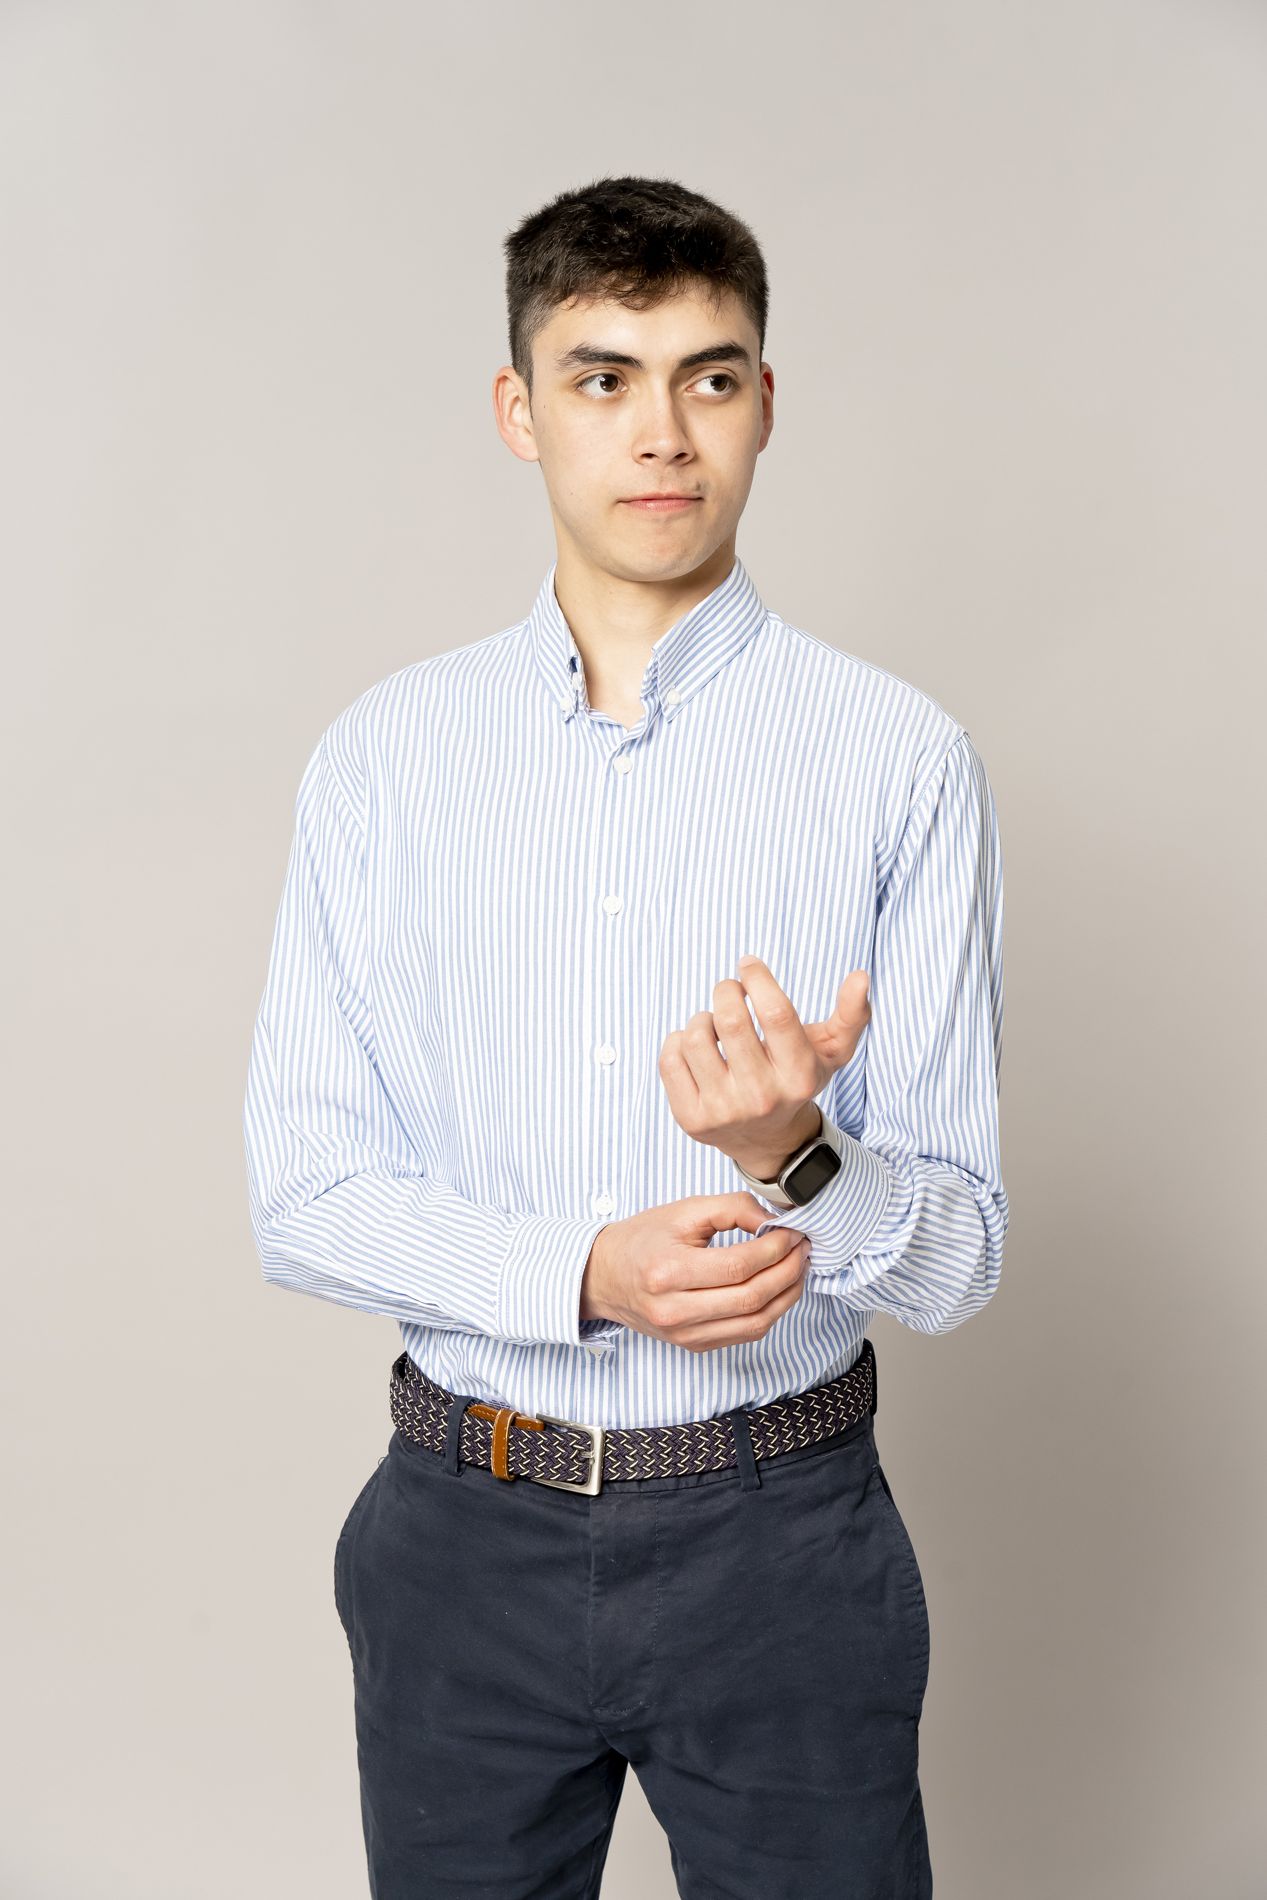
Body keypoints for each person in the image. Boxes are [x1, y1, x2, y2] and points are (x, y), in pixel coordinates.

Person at [243, 172, 1009, 1899]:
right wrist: (583, 1271)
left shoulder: (898, 759)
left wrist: (794, 1157)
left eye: (708, 377)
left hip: (782, 1544)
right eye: (604, 378)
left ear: (764, 403)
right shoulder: (385, 761)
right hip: (461, 1539)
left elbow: (961, 1258)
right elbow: (302, 1196)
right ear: (521, 411)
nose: (663, 432)